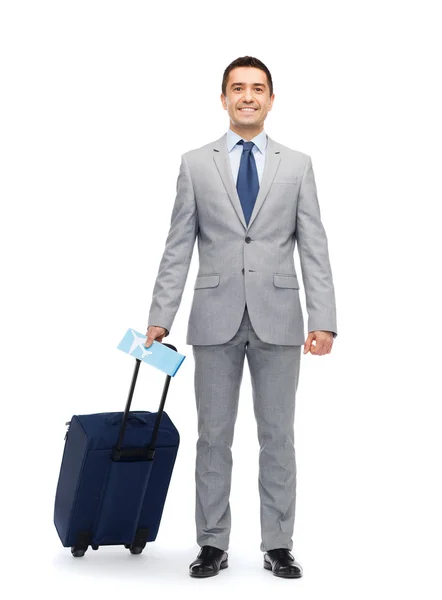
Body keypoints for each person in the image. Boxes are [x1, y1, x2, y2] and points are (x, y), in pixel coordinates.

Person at [145, 55, 337, 579]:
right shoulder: (194, 163)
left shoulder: (297, 164)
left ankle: (278, 544)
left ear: (271, 99)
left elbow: (314, 246)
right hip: (214, 316)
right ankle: (212, 543)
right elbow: (177, 245)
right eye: (237, 88)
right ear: (224, 98)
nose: (247, 96)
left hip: (279, 317)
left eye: (257, 88)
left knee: (278, 436)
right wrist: (160, 316)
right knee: (213, 437)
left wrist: (324, 318)